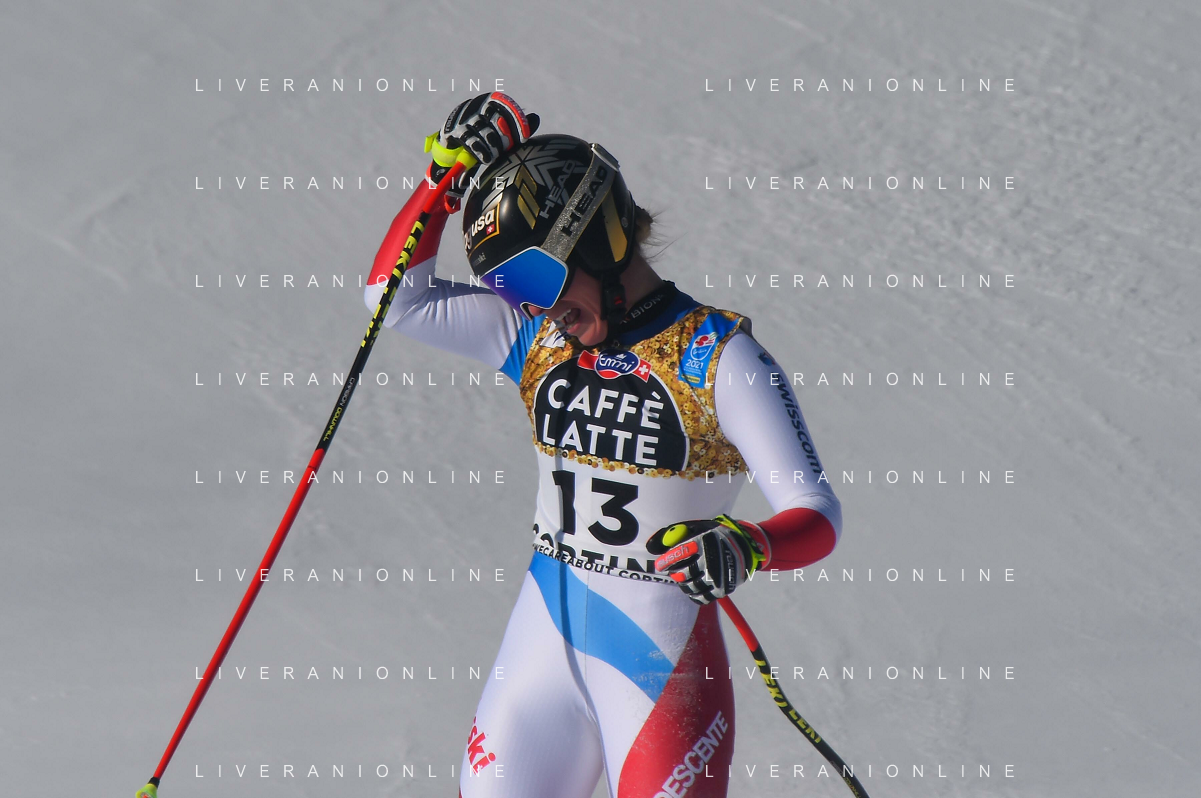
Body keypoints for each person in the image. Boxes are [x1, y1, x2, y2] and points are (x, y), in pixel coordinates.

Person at [365, 93, 843, 798]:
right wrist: (441, 183)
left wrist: (747, 544)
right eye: (505, 287)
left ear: (601, 242)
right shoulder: (536, 337)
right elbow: (394, 299)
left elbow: (817, 513)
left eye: (531, 278)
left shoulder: (719, 359)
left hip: (658, 662)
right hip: (542, 644)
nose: (531, 306)